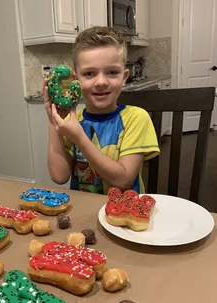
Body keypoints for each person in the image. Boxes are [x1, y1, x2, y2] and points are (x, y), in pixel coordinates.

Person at [44, 26, 160, 195]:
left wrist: (79, 138)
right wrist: (52, 119)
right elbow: (59, 176)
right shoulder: (73, 120)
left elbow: (124, 180)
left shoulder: (136, 118)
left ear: (124, 78)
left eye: (112, 72)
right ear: (75, 81)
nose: (100, 82)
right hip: (85, 210)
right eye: (89, 73)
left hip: (123, 215)